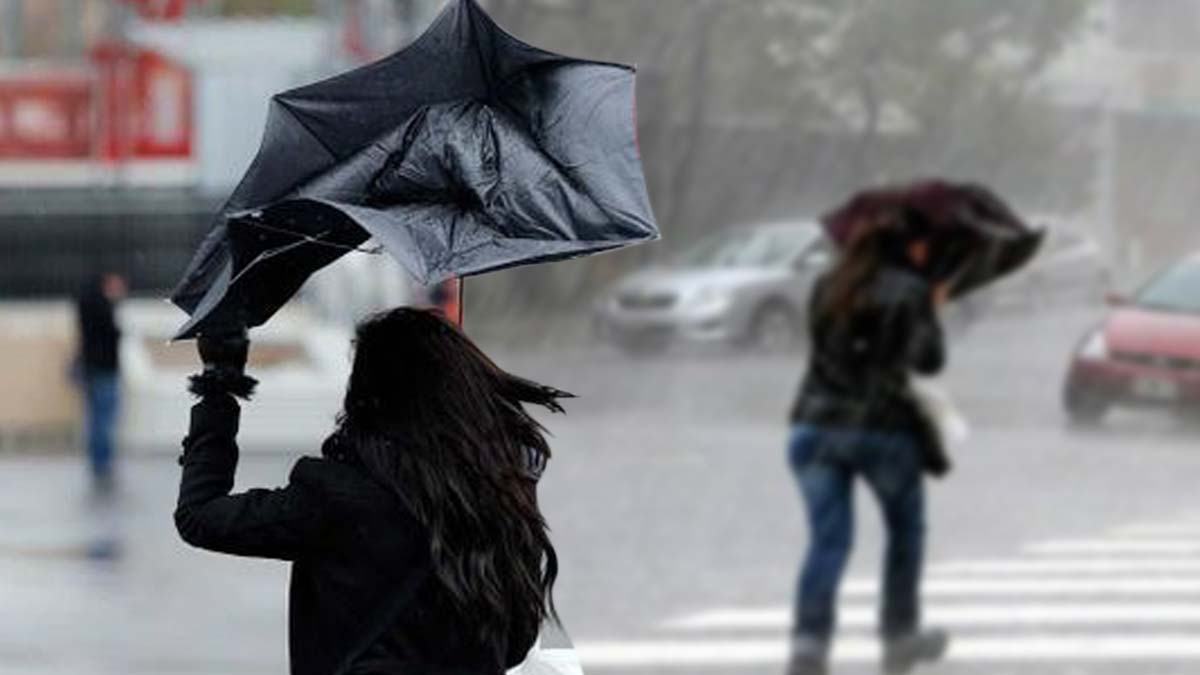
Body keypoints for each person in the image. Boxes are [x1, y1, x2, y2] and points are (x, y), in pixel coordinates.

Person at [175, 307, 569, 675]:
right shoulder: (499, 489)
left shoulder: (338, 496)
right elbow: (515, 641)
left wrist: (219, 384)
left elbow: (202, 515)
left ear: (369, 392)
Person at [786, 211, 954, 675]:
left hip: (815, 426)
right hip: (882, 429)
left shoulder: (827, 287)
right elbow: (928, 361)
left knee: (828, 542)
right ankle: (899, 634)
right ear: (902, 249)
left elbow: (827, 349)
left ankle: (809, 644)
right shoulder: (910, 290)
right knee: (904, 532)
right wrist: (930, 311)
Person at [75, 272, 126, 492]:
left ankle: (98, 461)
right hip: (105, 369)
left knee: (95, 418)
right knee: (104, 419)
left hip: (91, 368)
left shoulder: (85, 305)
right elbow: (113, 334)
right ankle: (102, 462)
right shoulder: (102, 308)